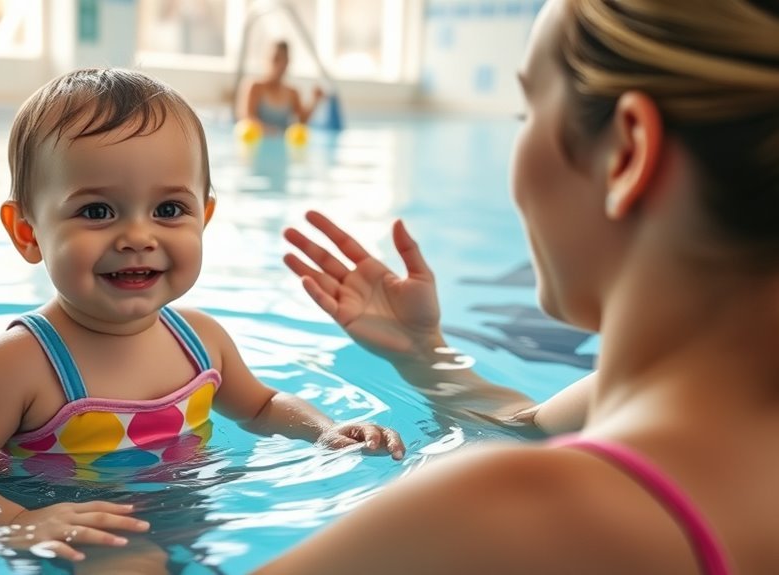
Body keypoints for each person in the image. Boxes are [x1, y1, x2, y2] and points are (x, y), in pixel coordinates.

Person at [259, 0, 779, 572]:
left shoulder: (511, 518)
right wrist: (422, 351)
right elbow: (524, 423)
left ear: (626, 155)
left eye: (526, 113)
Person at [0, 68, 404, 564]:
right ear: (28, 232)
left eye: (168, 209)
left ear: (204, 217)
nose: (139, 237)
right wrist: (16, 521)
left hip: (188, 510)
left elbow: (261, 406)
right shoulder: (20, 362)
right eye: (97, 212)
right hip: (80, 532)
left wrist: (324, 428)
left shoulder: (201, 340)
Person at [238, 40, 325, 133]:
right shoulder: (254, 87)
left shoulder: (292, 92)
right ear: (267, 59)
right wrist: (270, 131)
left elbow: (302, 122)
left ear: (287, 63)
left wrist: (314, 101)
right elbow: (247, 117)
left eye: (283, 60)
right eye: (275, 59)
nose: (279, 66)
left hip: (282, 144)